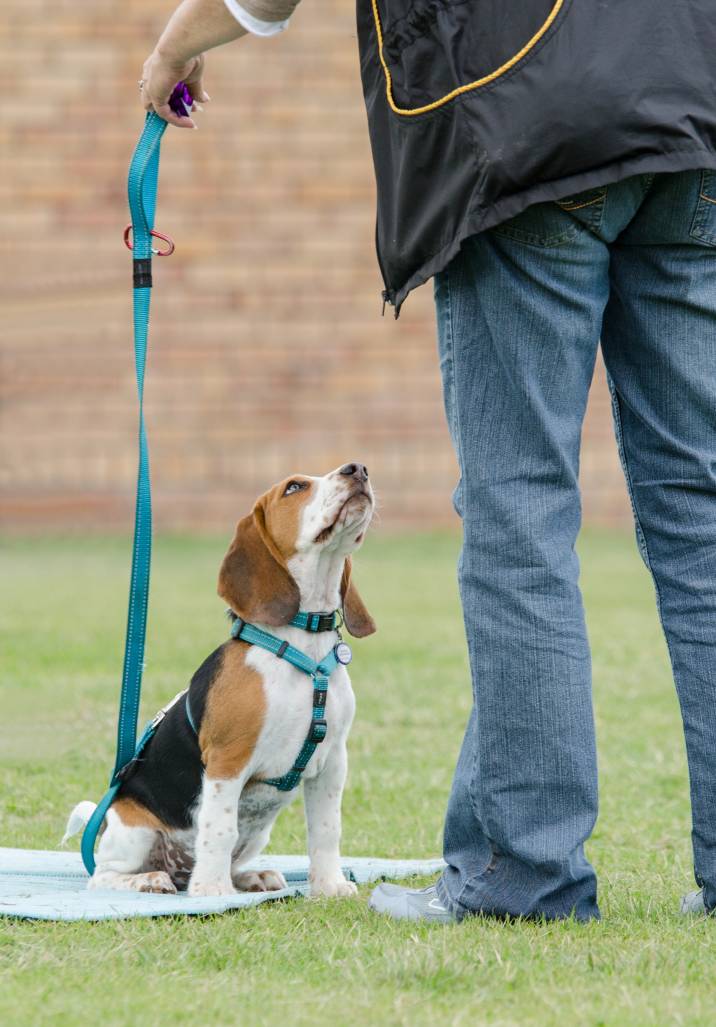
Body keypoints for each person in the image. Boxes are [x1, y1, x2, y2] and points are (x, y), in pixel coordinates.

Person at [141, 0, 716, 922]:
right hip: (688, 110)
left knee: (520, 517)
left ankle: (522, 875)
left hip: (528, 124)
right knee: (703, 517)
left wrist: (174, 46)